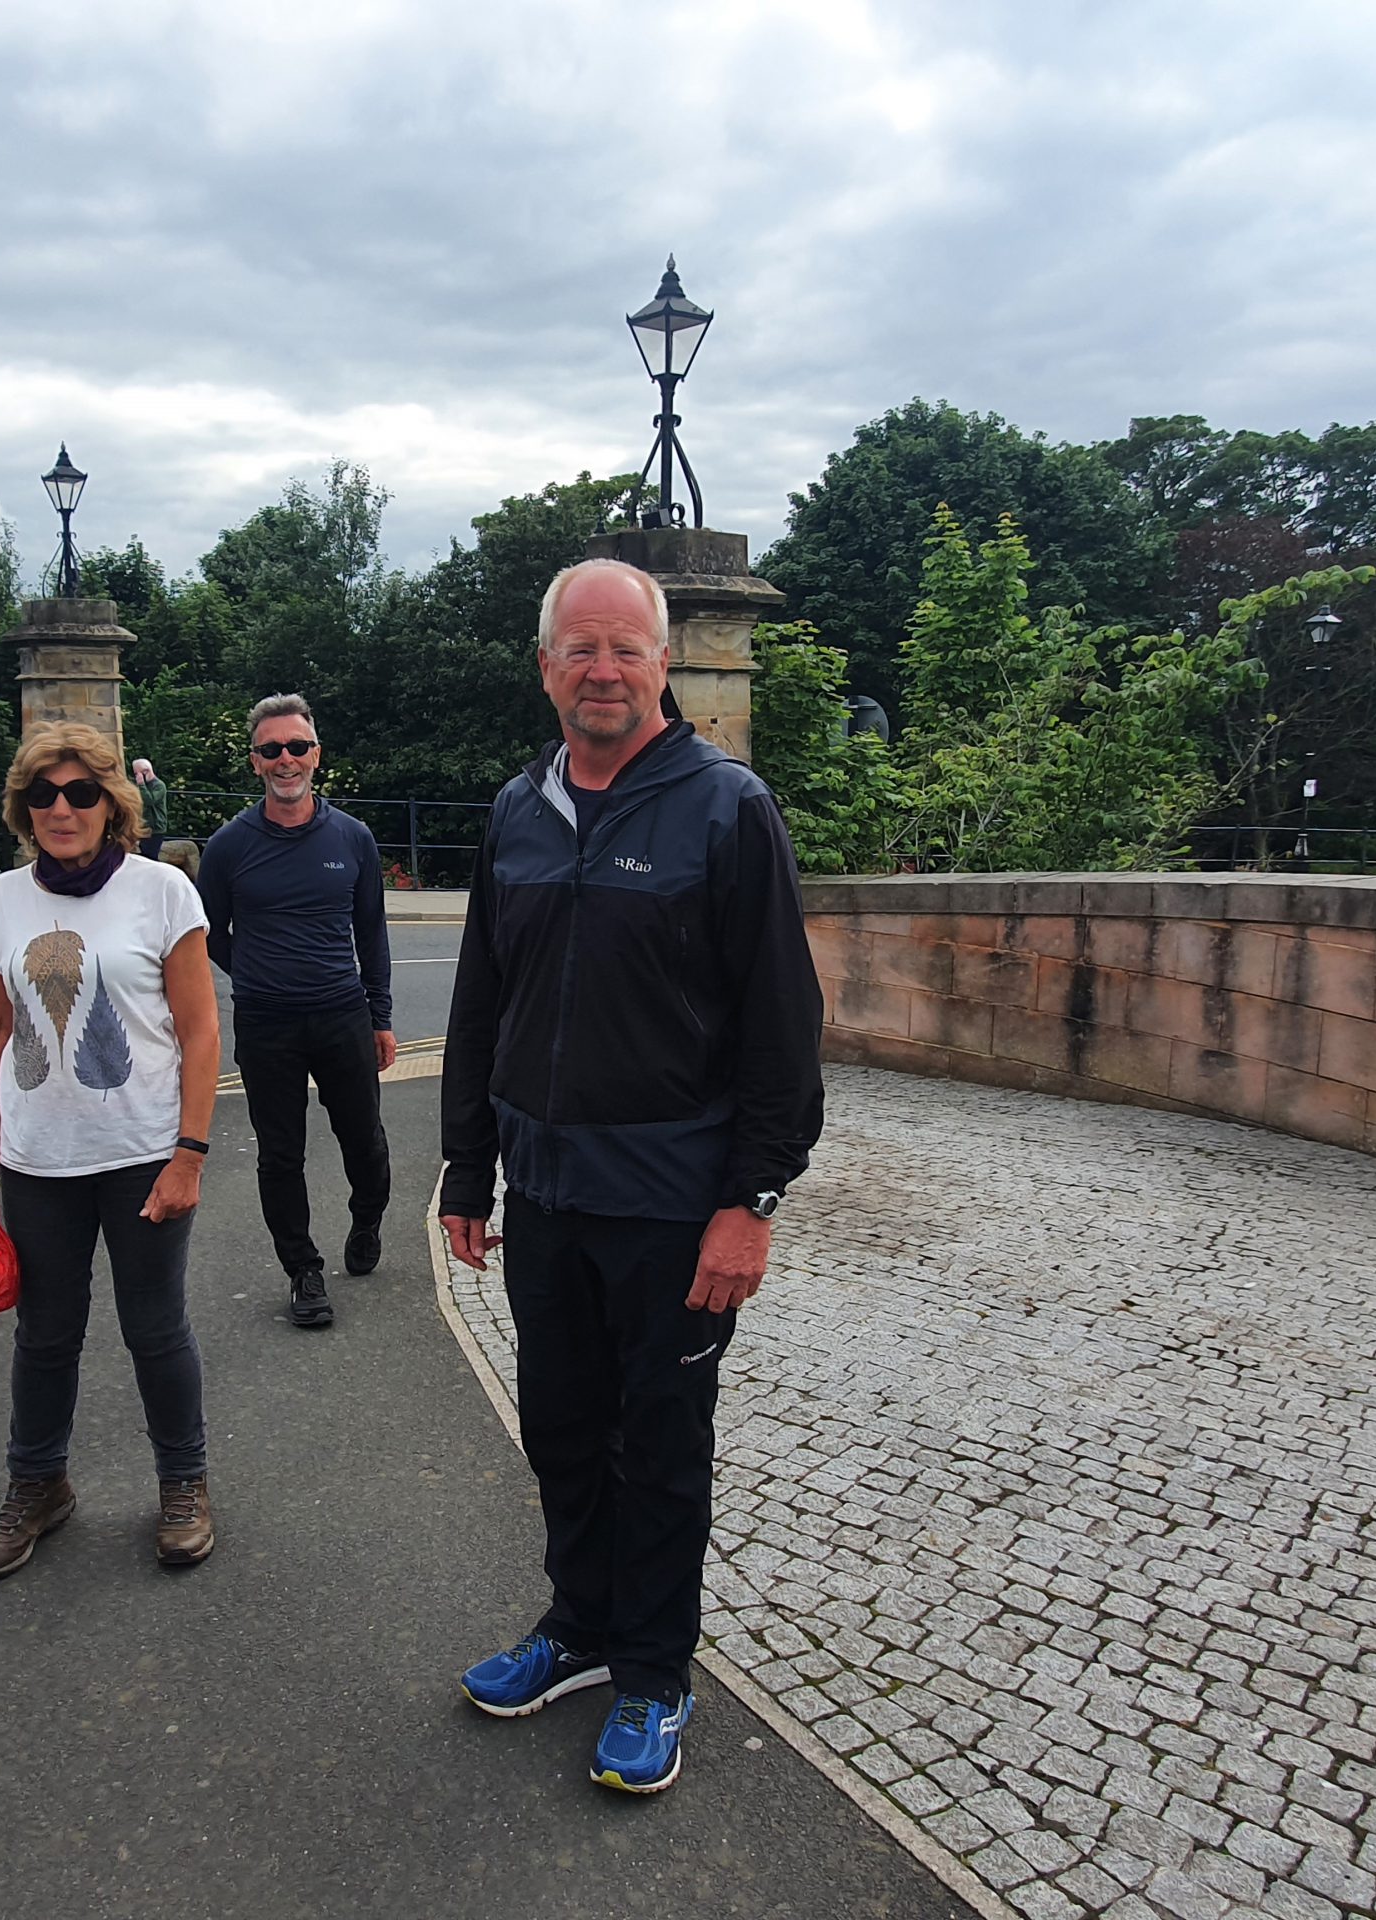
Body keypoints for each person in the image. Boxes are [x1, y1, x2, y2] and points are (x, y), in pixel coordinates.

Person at [439, 559, 824, 1795]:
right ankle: (580, 1627)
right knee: (559, 1428)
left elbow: (781, 1028)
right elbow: (484, 1001)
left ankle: (654, 1671)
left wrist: (749, 1203)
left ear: (661, 665)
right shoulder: (518, 808)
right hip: (546, 1195)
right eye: (580, 649)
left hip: (671, 1204)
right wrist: (467, 1170)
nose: (601, 671)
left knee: (657, 1446)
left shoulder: (725, 808)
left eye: (624, 649)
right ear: (544, 666)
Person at [0, 722, 222, 1577]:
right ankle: (39, 1484)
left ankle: (183, 1483)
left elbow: (200, 1029)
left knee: (155, 1328)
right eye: (43, 794)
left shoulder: (162, 891)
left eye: (80, 793)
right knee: (45, 1334)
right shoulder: (4, 898)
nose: (61, 809)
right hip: (40, 1159)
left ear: (113, 805)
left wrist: (189, 1152)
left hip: (142, 1150)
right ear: (23, 808)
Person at [196, 694, 395, 1330]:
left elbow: (372, 933)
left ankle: (367, 1220)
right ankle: (302, 1269)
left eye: (297, 747)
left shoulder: (352, 838)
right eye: (271, 749)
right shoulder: (228, 846)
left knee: (363, 1140)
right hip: (267, 1023)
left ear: (316, 755)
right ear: (255, 761)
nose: (286, 759)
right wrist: (257, 972)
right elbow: (208, 932)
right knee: (280, 1155)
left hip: (342, 1014)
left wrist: (381, 1016)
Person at [134, 757, 171, 861]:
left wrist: (141, 784)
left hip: (156, 828)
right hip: (145, 827)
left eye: (138, 774)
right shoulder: (143, 787)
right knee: (144, 855)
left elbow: (150, 800)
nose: (137, 777)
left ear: (146, 771)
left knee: (151, 857)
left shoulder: (159, 785)